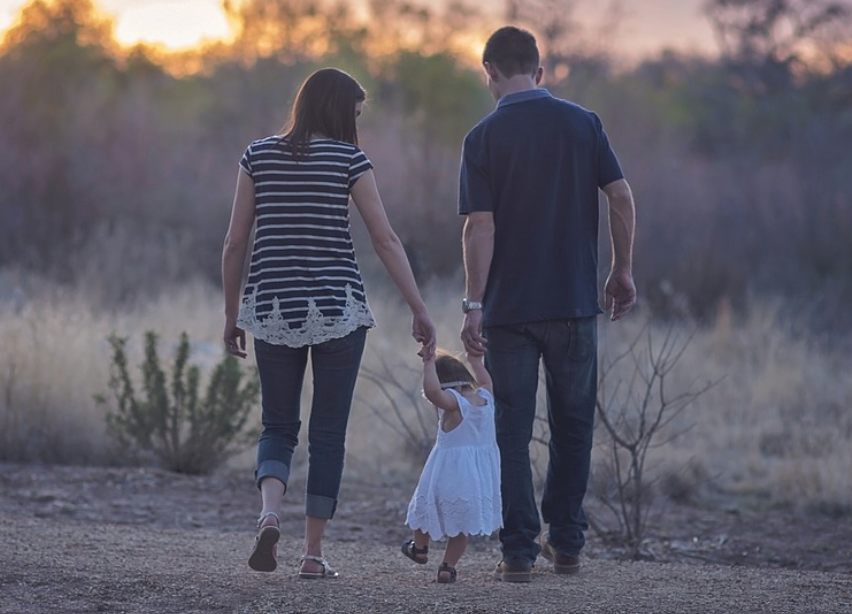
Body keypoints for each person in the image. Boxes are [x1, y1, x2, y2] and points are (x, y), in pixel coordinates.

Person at [222, 67, 436, 578]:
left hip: (272, 308)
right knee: (328, 434)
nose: (357, 124)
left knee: (277, 424)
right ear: (340, 111)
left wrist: (232, 315)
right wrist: (419, 308)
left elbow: (234, 243)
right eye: (356, 114)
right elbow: (385, 240)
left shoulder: (257, 155)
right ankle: (313, 555)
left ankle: (270, 512)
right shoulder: (349, 159)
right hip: (339, 309)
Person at [458, 26, 637, 582]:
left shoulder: (482, 137)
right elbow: (621, 195)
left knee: (511, 431)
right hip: (575, 304)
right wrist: (622, 268)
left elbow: (478, 229)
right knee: (574, 425)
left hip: (509, 312)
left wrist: (472, 303)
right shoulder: (584, 124)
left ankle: (517, 552)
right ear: (540, 71)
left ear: (488, 71)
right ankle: (567, 544)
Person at [401, 349, 502, 584]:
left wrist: (428, 364)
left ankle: (420, 548)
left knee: (423, 510)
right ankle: (447, 567)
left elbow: (432, 391)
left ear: (445, 384)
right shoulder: (486, 398)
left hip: (447, 474)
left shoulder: (454, 403)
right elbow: (486, 380)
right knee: (461, 526)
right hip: (476, 478)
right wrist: (476, 361)